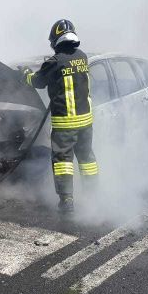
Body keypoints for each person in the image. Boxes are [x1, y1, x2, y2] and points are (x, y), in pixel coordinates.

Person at [21, 20, 97, 215]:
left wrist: (26, 74)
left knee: (63, 161)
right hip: (86, 122)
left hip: (66, 124)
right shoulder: (82, 57)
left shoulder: (54, 62)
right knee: (87, 158)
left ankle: (67, 202)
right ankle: (92, 195)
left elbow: (37, 82)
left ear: (56, 40)